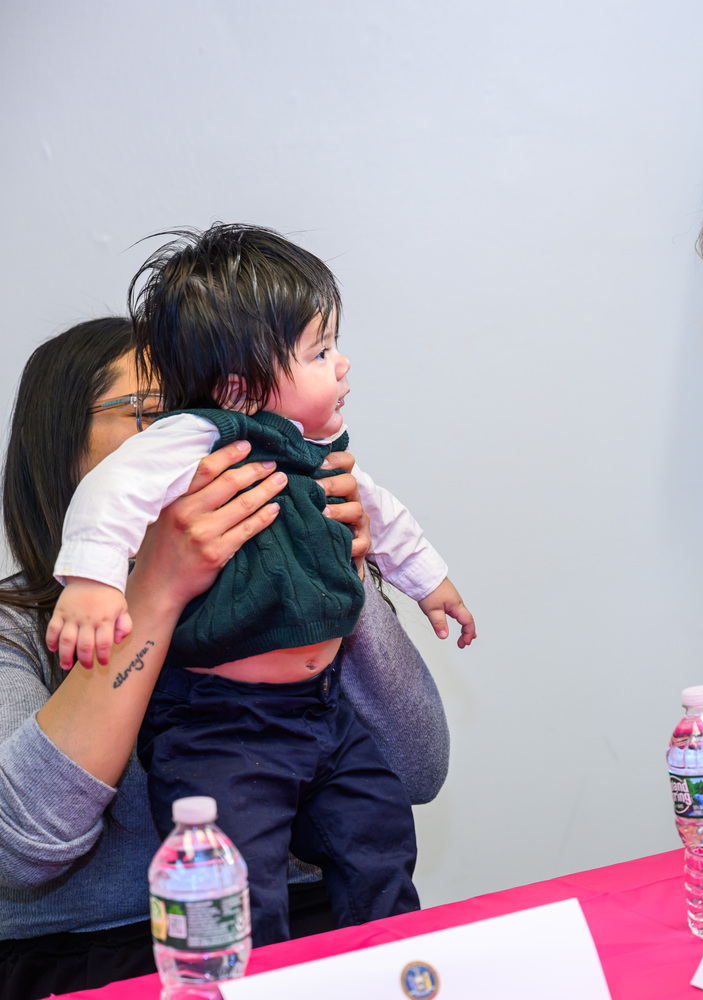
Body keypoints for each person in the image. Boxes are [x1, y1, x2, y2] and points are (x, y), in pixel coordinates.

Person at [46, 225, 475, 947]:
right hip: (223, 723)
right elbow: (112, 490)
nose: (343, 366)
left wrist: (430, 583)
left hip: (324, 713)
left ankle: (393, 955)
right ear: (241, 388)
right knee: (240, 883)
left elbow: (383, 515)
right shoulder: (195, 440)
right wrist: (93, 583)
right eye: (319, 352)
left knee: (377, 831)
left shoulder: (315, 455)